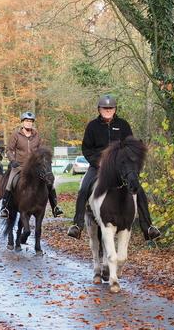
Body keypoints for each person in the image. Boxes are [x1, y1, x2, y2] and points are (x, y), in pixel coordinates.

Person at [67, 95, 161, 241]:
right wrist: (97, 162)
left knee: (139, 189)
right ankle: (77, 225)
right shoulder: (92, 126)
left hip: (120, 168)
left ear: (115, 109)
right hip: (98, 166)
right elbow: (86, 148)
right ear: (99, 109)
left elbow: (130, 146)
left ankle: (148, 227)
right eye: (105, 108)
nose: (108, 110)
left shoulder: (123, 125)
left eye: (110, 108)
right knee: (84, 188)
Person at [0, 112, 63, 219]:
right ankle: (4, 208)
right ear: (22, 122)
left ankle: (55, 207)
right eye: (27, 121)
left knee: (49, 183)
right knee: (10, 183)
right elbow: (9, 149)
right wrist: (12, 160)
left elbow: (41, 150)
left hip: (34, 168)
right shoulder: (16, 134)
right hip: (19, 165)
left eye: (30, 122)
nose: (29, 123)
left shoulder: (37, 135)